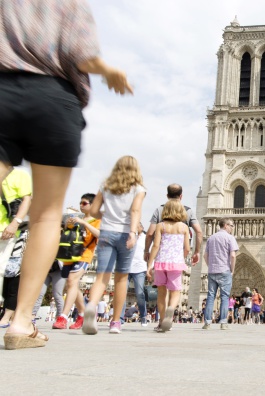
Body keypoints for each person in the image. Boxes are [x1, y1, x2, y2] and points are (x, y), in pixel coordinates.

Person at [0, 0, 132, 350]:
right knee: (46, 216)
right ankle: (21, 322)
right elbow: (82, 55)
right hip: (52, 99)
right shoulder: (69, 3)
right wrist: (107, 70)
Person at [83, 156, 145, 335]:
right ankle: (116, 322)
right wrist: (133, 233)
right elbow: (135, 211)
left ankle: (92, 306)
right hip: (126, 234)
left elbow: (93, 211)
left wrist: (109, 218)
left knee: (102, 276)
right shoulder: (139, 189)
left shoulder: (105, 186)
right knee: (121, 278)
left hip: (106, 233)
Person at [52, 193, 101, 330]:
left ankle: (63, 317)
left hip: (84, 255)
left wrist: (84, 223)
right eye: (80, 203)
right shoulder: (75, 219)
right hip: (69, 255)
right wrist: (68, 226)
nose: (81, 205)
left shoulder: (98, 220)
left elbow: (100, 235)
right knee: (71, 285)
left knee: (72, 282)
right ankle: (82, 314)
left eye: (84, 203)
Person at [146, 200, 190, 332]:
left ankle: (161, 322)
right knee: (175, 291)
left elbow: (156, 245)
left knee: (161, 293)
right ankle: (171, 310)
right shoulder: (184, 228)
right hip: (176, 263)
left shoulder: (160, 226)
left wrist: (150, 265)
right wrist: (181, 257)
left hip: (161, 262)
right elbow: (187, 248)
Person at [0, 168, 32, 328]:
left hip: (11, 231)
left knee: (10, 275)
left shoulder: (19, 175)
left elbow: (27, 200)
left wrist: (15, 223)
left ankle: (8, 315)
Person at [144, 184, 203, 265]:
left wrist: (146, 251)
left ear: (167, 196)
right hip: (179, 256)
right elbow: (199, 232)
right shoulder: (188, 211)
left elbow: (150, 234)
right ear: (181, 196)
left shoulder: (159, 210)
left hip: (161, 255)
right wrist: (197, 252)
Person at [203, 218, 238, 330]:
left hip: (212, 271)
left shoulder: (211, 238)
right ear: (226, 225)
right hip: (225, 270)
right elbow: (232, 256)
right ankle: (223, 322)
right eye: (232, 225)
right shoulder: (230, 238)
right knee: (224, 297)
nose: (233, 228)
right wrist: (232, 270)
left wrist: (210, 266)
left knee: (210, 296)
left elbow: (205, 256)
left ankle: (207, 322)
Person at [121, 222, 148, 326]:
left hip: (140, 268)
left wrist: (150, 268)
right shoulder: (127, 236)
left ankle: (144, 316)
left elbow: (150, 253)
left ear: (141, 227)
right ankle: (120, 318)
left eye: (136, 226)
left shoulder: (146, 238)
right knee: (122, 293)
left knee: (140, 293)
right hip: (126, 268)